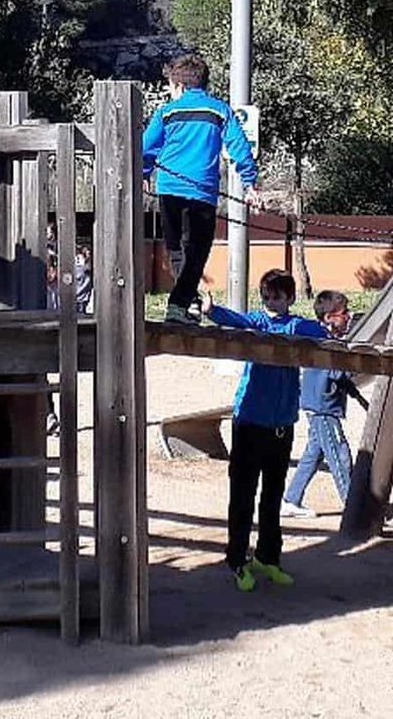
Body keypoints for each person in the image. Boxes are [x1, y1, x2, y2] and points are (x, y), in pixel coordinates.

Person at [200, 269, 329, 591]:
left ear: (289, 299)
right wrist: (212, 311)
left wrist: (333, 323)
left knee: (272, 498)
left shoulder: (298, 326)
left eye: (278, 297)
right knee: (242, 496)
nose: (271, 302)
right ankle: (237, 560)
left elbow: (320, 331)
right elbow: (234, 319)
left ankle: (268, 558)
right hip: (249, 422)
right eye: (267, 296)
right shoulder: (258, 322)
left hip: (282, 425)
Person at [143, 53, 262, 324]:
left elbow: (146, 145)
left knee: (176, 249)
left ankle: (188, 303)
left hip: (169, 189)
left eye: (171, 87)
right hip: (202, 193)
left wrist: (144, 172)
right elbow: (239, 146)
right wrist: (250, 183)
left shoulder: (167, 111)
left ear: (180, 86)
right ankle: (179, 305)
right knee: (196, 252)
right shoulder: (219, 110)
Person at [282, 290, 369, 518]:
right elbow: (336, 372)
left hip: (320, 404)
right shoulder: (324, 342)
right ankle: (354, 509)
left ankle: (291, 500)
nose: (349, 316)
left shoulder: (330, 340)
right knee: (340, 454)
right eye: (344, 313)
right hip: (323, 407)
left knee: (314, 454)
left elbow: (338, 377)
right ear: (329, 317)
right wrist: (359, 364)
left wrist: (357, 396)